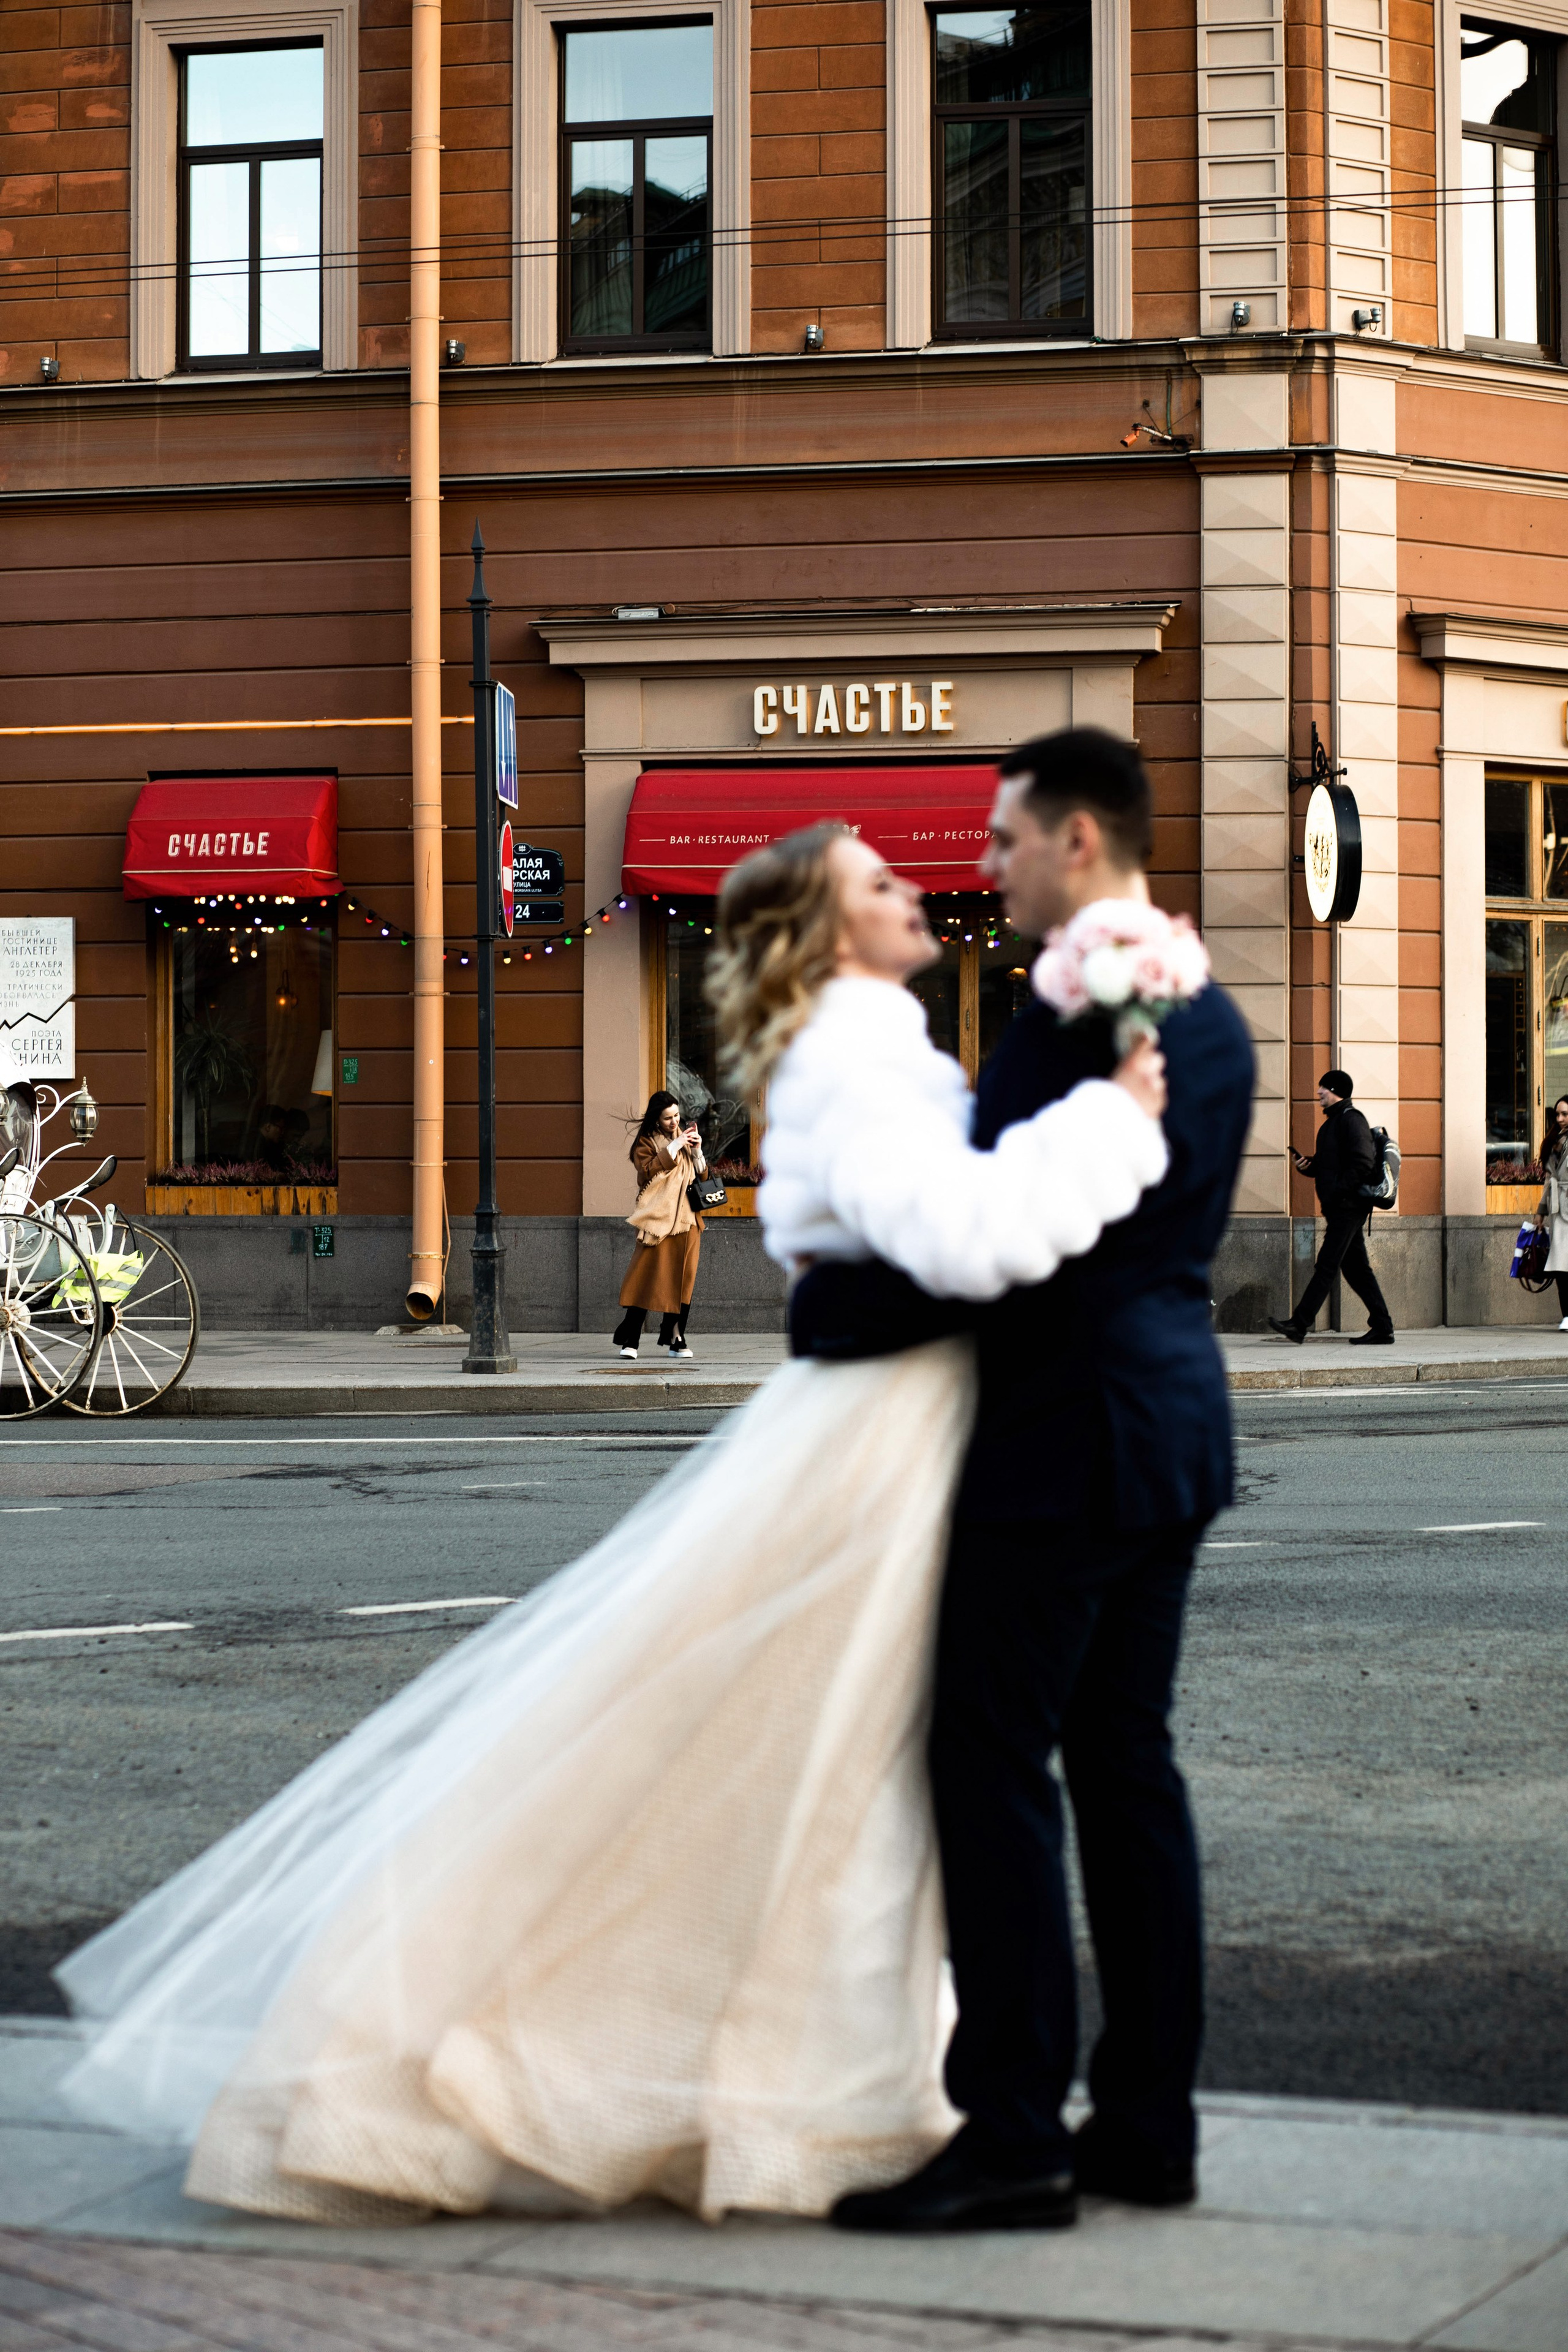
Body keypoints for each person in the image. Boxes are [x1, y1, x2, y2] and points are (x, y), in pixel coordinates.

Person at [55, 820, 1169, 2229]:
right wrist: (1109, 1122)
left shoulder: (874, 1038)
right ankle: (715, 2080)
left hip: (895, 1424)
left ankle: (814, 2085)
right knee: (791, 1757)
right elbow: (953, 1238)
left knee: (816, 1764)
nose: (910, 891)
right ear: (822, 936)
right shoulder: (856, 1047)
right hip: (876, 1439)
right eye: (875, 885)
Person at [793, 727, 1255, 2231]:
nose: (979, 866)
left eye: (999, 840)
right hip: (1175, 1424)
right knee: (1128, 1768)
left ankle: (1008, 2130)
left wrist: (834, 1311)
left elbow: (1017, 1248)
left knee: (986, 1766)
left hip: (1060, 1437)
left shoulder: (1076, 1029)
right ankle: (1146, 2123)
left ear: (1073, 841)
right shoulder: (1218, 1018)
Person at [1267, 1069, 1392, 1347]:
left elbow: (1363, 1164)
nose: (1319, 1092)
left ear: (1335, 1090)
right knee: (1357, 1270)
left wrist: (1337, 1191)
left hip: (1348, 1207)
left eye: (1323, 1087)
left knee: (1326, 1265)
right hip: (1340, 1207)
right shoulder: (1333, 1124)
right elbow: (1331, 1167)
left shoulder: (1352, 1120)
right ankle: (1383, 1327)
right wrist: (1309, 1166)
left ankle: (1299, 1323)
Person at [612, 1092, 706, 1358]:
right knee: (644, 1278)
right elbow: (647, 1173)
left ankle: (676, 1337)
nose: (674, 1121)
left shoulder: (685, 1137)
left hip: (688, 1222)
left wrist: (697, 1151)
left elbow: (702, 1176)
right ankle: (631, 1339)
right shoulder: (647, 1141)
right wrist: (674, 1146)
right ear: (657, 1118)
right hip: (658, 1221)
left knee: (682, 1283)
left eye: (676, 1115)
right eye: (668, 1118)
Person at [1534, 1095, 1568, 1329]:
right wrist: (1541, 1212)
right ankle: (1567, 1315)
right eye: (1557, 1114)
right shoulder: (1556, 1143)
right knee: (1560, 1265)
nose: (1560, 1119)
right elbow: (1550, 1179)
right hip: (1559, 1210)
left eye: (1565, 1114)